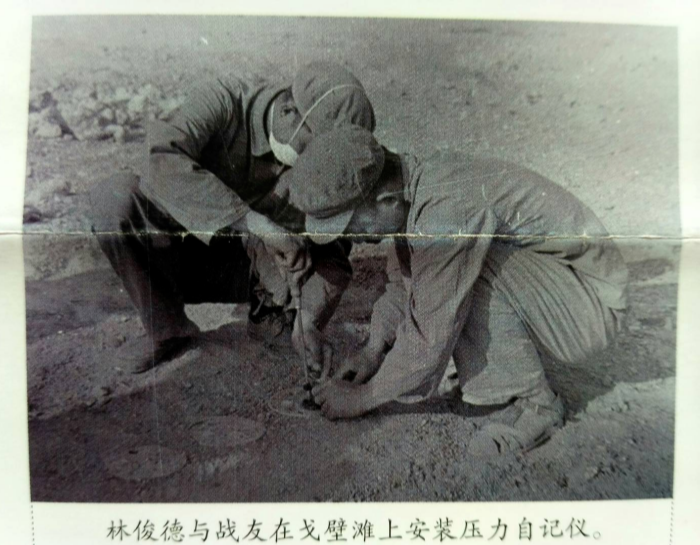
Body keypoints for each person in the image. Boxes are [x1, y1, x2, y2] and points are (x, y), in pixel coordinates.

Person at [285, 126, 628, 456]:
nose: (353, 239)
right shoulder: (411, 189)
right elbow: (405, 282)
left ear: (385, 199)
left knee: (461, 270)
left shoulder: (444, 210)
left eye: (352, 226)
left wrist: (362, 398)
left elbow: (428, 337)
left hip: (590, 305)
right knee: (443, 274)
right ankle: (502, 376)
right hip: (557, 288)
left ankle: (536, 406)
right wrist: (373, 350)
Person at [89, 62, 375, 374]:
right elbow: (160, 159)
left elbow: (335, 249)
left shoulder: (314, 165)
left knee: (313, 256)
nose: (316, 161)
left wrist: (309, 319)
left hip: (248, 268)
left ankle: (272, 314)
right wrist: (254, 223)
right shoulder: (223, 100)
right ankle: (167, 329)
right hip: (175, 253)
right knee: (114, 198)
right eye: (315, 146)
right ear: (288, 111)